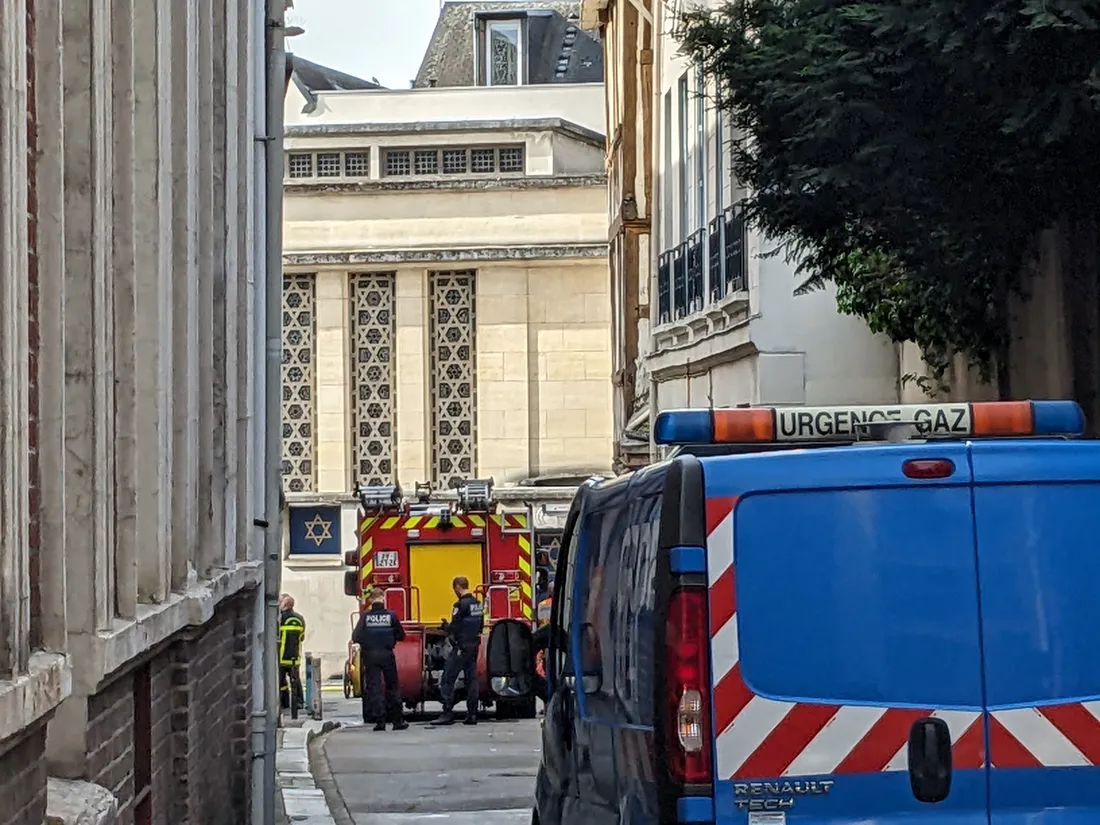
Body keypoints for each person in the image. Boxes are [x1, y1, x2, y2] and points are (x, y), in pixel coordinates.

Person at [352, 588, 409, 731]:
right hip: (387, 654)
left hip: (370, 656)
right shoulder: (391, 616)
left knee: (374, 688)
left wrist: (368, 643)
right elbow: (401, 635)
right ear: (383, 599)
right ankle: (397, 721)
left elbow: (356, 637)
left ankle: (380, 721)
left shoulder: (365, 617)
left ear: (370, 600)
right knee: (392, 687)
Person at [431, 576, 484, 726]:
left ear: (457, 587)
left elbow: (455, 627)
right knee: (471, 679)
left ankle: (447, 712)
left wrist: (445, 627)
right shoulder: (477, 604)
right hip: (473, 645)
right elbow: (480, 625)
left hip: (461, 646)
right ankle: (472, 714)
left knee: (448, 677)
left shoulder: (459, 605)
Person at [278, 595, 306, 720]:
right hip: (295, 656)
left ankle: (284, 703)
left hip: (281, 656)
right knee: (295, 680)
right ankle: (299, 702)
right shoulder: (300, 619)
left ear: (284, 605)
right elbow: (302, 637)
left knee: (281, 681)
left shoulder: (280, 618)